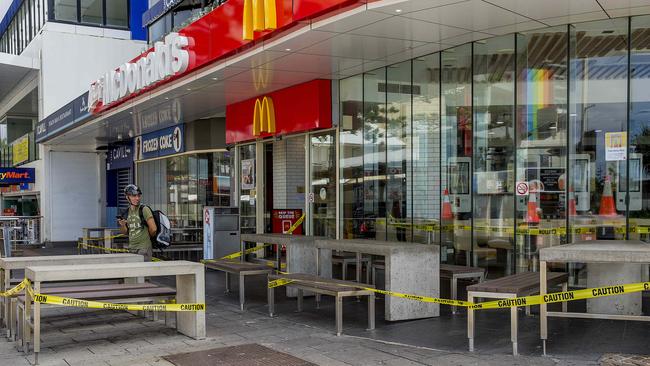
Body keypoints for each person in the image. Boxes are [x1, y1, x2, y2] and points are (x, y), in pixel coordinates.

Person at [118, 184, 156, 262]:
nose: (137, 198)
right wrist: (122, 225)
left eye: (138, 196)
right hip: (132, 248)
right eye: (134, 196)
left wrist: (147, 239)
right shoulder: (127, 212)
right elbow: (124, 232)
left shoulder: (144, 209)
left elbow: (153, 229)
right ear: (127, 197)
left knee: (143, 273)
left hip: (144, 248)